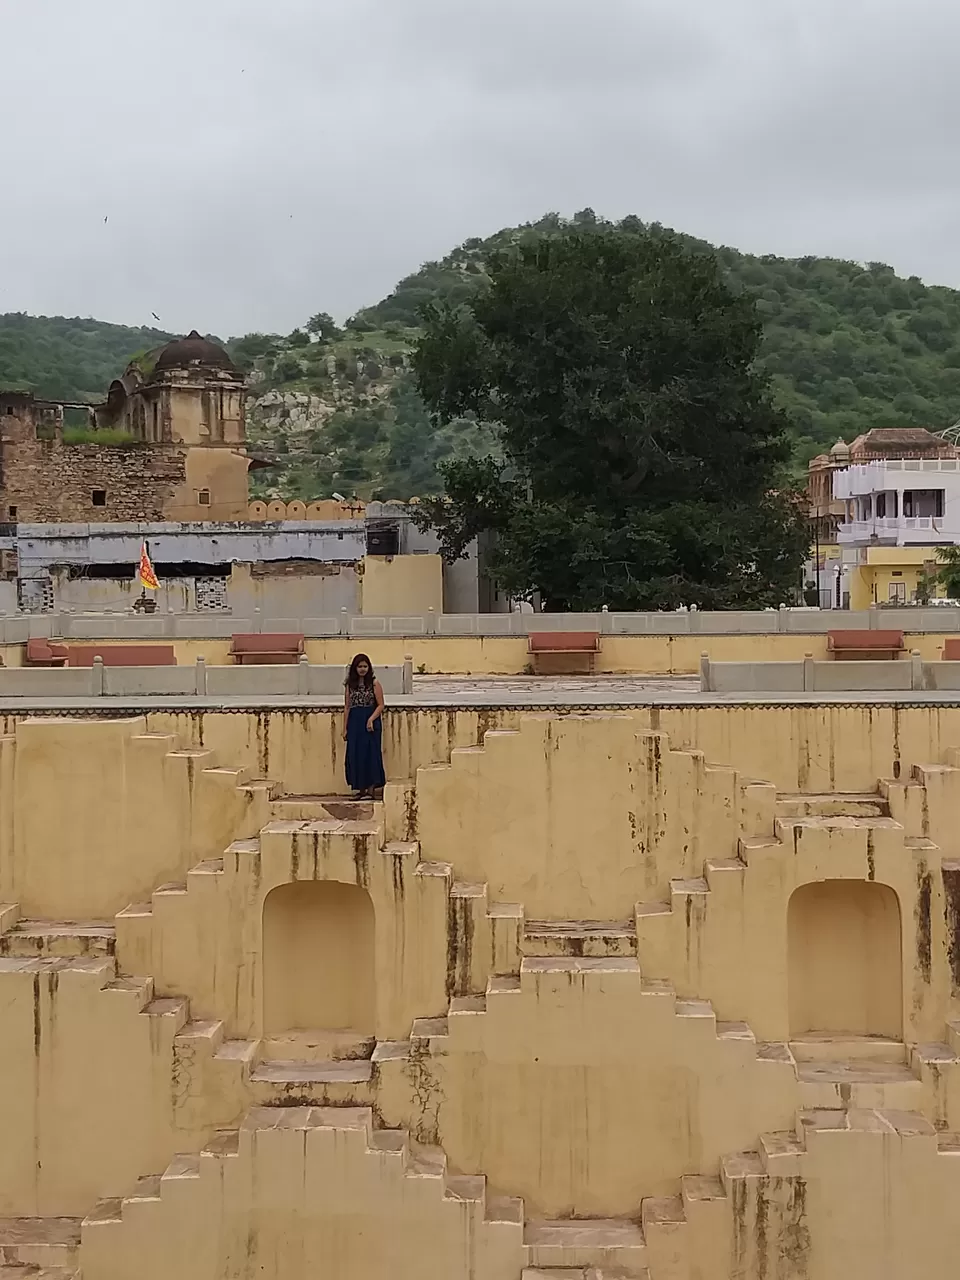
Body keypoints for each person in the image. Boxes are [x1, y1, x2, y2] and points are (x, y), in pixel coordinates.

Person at [343, 653, 386, 799]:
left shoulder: (374, 683)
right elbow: (347, 706)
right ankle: (360, 789)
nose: (362, 669)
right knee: (355, 754)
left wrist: (371, 719)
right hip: (355, 722)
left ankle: (371, 789)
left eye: (365, 666)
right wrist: (345, 728)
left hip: (370, 722)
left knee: (371, 754)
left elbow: (381, 705)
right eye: (359, 666)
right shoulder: (350, 685)